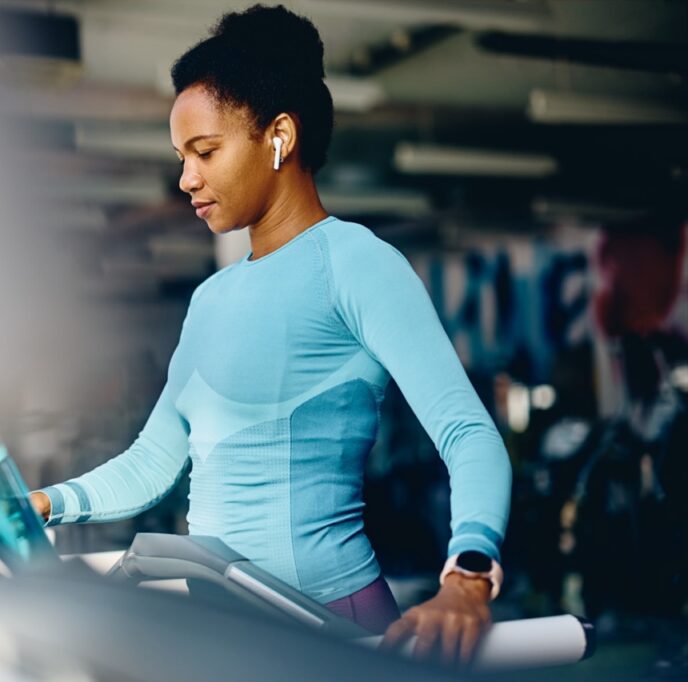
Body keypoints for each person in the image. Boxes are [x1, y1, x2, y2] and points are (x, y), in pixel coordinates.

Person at [30, 4, 511, 666]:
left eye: (205, 151)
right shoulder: (210, 298)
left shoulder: (353, 263)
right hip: (224, 629)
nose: (186, 178)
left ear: (279, 136)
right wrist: (44, 503)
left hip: (331, 626)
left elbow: (467, 433)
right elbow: (153, 464)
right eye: (181, 157)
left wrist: (467, 579)